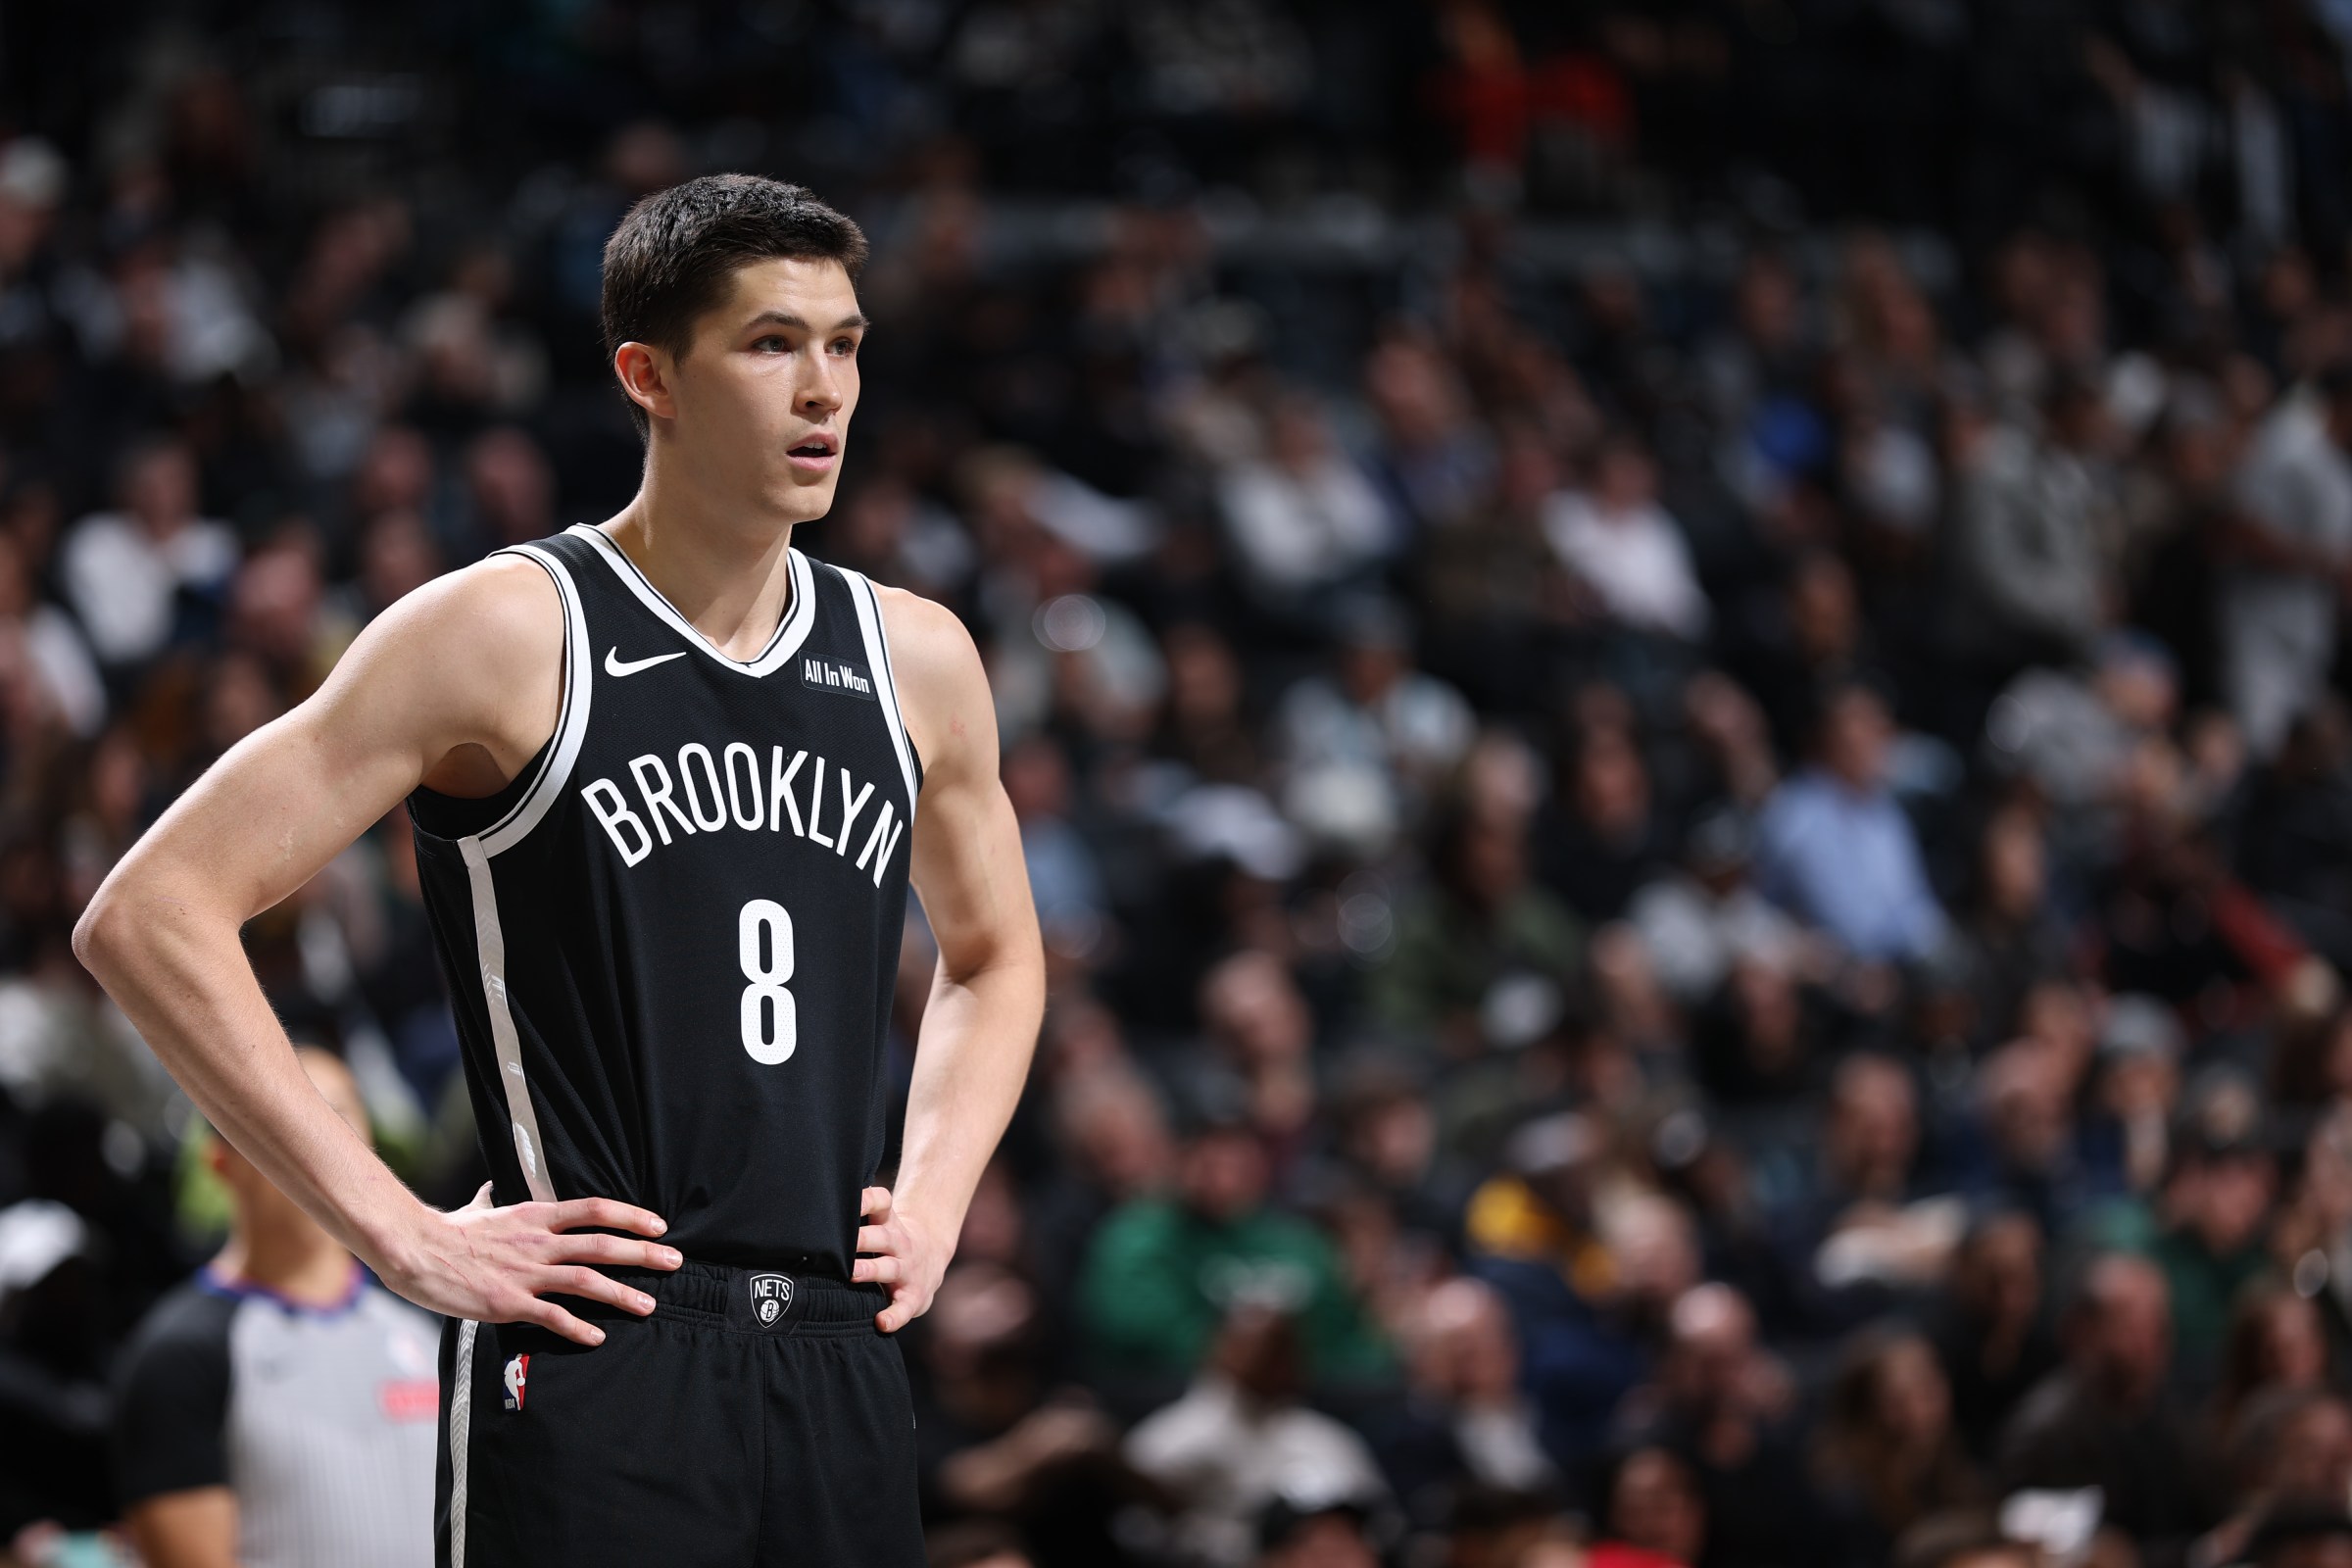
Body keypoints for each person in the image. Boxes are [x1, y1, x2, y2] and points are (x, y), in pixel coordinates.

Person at [74, 174, 1046, 1565]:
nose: (824, 388)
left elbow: (1000, 956)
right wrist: (395, 1231)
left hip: (838, 1351)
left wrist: (939, 1190)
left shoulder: (920, 657)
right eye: (772, 344)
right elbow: (151, 913)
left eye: (845, 344)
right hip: (601, 1346)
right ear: (647, 375)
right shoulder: (506, 632)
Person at [112, 1047, 442, 1568]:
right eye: (282, 1127)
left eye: (338, 1120)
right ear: (220, 1160)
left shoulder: (430, 1327)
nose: (321, 1154)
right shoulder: (177, 1358)